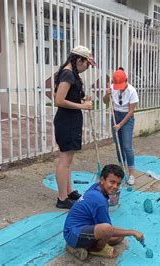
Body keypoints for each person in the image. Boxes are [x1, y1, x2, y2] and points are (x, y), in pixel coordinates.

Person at [63, 164, 144, 260]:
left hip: (82, 229)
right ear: (102, 180)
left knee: (119, 237)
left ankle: (83, 247)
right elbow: (108, 229)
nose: (115, 186)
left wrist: (126, 233)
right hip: (73, 233)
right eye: (112, 182)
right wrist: (132, 232)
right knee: (108, 230)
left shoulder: (96, 187)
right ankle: (94, 249)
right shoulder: (99, 200)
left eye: (118, 184)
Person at [53, 46, 95, 209]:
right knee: (64, 161)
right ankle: (62, 198)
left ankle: (69, 192)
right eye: (87, 64)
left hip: (71, 120)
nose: (87, 68)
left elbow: (70, 95)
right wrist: (82, 106)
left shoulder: (72, 74)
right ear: (79, 60)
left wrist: (83, 98)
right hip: (66, 122)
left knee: (68, 161)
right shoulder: (68, 73)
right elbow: (59, 100)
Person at [102, 68, 139, 185]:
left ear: (126, 80)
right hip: (115, 115)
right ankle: (121, 170)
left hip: (126, 118)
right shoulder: (112, 87)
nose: (120, 88)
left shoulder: (132, 91)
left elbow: (131, 111)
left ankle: (131, 173)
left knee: (127, 146)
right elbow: (105, 101)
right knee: (118, 146)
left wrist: (120, 125)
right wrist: (107, 95)